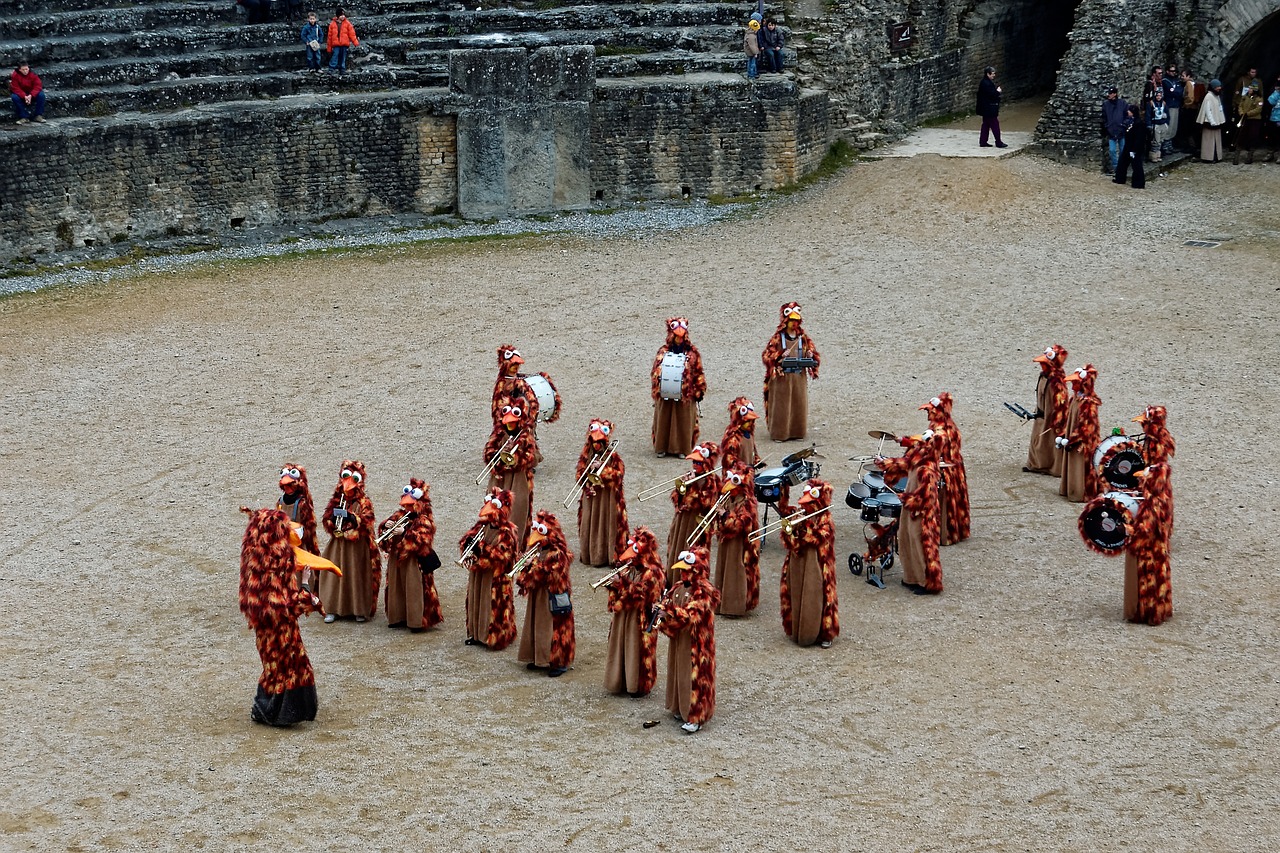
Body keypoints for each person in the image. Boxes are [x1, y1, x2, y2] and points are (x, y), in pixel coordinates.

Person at [239, 508, 330, 727]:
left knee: (274, 669)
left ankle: (270, 710)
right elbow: (285, 607)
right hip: (280, 633)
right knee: (284, 669)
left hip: (268, 632)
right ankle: (276, 713)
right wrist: (307, 591)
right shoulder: (273, 570)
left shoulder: (256, 565)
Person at [656, 546, 720, 733]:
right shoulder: (678, 587)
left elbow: (691, 614)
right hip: (680, 639)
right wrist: (661, 609)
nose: (682, 573)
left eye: (686, 570)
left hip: (696, 643)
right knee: (679, 672)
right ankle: (680, 706)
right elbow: (669, 602)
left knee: (696, 677)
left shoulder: (705, 591)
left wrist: (668, 612)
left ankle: (696, 716)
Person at [602, 526, 666, 698]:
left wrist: (621, 583)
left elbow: (642, 595)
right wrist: (614, 585)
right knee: (621, 645)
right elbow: (623, 591)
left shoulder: (653, 572)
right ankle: (620, 680)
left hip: (640, 618)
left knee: (636, 649)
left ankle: (637, 685)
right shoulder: (631, 568)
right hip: (624, 615)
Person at [877, 432, 944, 595]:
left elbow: (925, 498)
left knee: (920, 544)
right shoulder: (920, 457)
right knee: (906, 539)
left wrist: (904, 498)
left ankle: (927, 583)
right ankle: (912, 578)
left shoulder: (928, 469)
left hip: (922, 514)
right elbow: (904, 463)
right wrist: (884, 463)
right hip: (910, 510)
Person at [316, 460, 381, 623]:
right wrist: (332, 519)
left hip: (357, 546)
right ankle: (333, 608)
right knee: (335, 576)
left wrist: (354, 519)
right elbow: (325, 519)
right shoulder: (337, 500)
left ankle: (358, 609)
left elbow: (368, 522)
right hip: (338, 545)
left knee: (356, 575)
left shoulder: (364, 502)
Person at [778, 479, 839, 646]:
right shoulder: (802, 514)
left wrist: (804, 525)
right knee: (797, 592)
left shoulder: (826, 519)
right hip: (798, 562)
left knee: (816, 597)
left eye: (810, 504)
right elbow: (789, 537)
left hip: (817, 565)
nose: (805, 507)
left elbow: (817, 538)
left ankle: (821, 633)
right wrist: (792, 527)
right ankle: (798, 628)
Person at [376, 478, 442, 632]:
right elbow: (384, 537)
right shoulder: (400, 515)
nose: (406, 508)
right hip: (397, 558)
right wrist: (386, 527)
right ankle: (398, 616)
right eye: (405, 505)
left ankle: (416, 620)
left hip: (413, 561)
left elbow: (422, 541)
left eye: (410, 505)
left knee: (413, 587)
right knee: (396, 586)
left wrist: (405, 533)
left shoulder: (424, 520)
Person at [515, 510, 576, 677]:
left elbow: (550, 574)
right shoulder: (537, 549)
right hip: (538, 595)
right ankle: (538, 657)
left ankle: (558, 661)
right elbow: (528, 576)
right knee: (536, 625)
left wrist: (532, 564)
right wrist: (525, 567)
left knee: (552, 629)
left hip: (552, 597)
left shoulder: (558, 553)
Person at [460, 488, 519, 650]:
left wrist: (482, 550)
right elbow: (467, 538)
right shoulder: (481, 525)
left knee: (491, 605)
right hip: (479, 573)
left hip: (495, 578)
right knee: (476, 600)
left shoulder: (507, 532)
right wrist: (467, 545)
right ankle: (477, 634)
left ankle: (495, 637)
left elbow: (502, 556)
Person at [761, 301, 821, 441]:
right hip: (782, 377)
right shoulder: (777, 338)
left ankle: (797, 432)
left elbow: (813, 354)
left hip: (798, 376)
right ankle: (780, 434)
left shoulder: (803, 338)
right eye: (791, 320)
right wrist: (780, 355)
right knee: (781, 406)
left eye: (796, 320)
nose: (794, 323)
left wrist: (809, 355)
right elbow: (767, 356)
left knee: (798, 404)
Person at [483, 395, 538, 546]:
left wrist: (516, 454)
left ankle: (514, 548)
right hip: (499, 480)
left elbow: (533, 458)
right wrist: (500, 454)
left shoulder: (526, 435)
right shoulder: (498, 434)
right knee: (494, 511)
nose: (510, 425)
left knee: (516, 513)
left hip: (518, 481)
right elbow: (488, 455)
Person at [574, 418, 628, 567]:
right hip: (591, 496)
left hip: (607, 497)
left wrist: (602, 470)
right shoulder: (586, 454)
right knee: (589, 523)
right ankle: (591, 555)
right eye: (594, 442)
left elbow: (619, 474)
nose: (597, 445)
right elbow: (579, 475)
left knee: (607, 523)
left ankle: (607, 556)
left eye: (600, 442)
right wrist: (587, 479)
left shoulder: (613, 456)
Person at [651, 317, 706, 457]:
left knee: (683, 420)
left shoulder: (692, 353)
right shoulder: (663, 352)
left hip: (685, 394)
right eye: (676, 336)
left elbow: (699, 372)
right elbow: (655, 371)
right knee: (664, 419)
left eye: (681, 336)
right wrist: (658, 387)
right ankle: (662, 447)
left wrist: (699, 391)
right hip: (665, 394)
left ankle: (682, 448)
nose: (679, 339)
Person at [920, 393, 970, 546]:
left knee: (944, 503)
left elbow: (933, 449)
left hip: (946, 471)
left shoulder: (941, 430)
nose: (928, 414)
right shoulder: (941, 425)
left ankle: (944, 535)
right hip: (953, 468)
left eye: (930, 411)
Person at [665, 441, 721, 576]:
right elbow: (675, 497)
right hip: (682, 520)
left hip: (697, 523)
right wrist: (683, 487)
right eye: (694, 462)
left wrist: (695, 486)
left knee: (693, 554)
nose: (694, 465)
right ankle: (672, 579)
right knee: (677, 546)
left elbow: (707, 503)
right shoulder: (690, 476)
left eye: (698, 463)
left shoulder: (712, 481)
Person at [712, 463, 760, 617]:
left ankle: (734, 606)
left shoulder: (747, 502)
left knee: (735, 571)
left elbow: (741, 525)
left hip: (739, 544)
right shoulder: (729, 497)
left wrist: (725, 515)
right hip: (726, 540)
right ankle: (721, 603)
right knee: (723, 569)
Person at [491, 343, 561, 442]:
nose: (516, 367)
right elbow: (498, 407)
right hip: (511, 424)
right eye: (513, 364)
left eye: (517, 364)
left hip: (525, 423)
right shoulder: (503, 383)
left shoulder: (520, 378)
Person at [1057, 365, 1102, 503]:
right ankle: (1069, 489)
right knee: (1072, 463)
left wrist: (1072, 440)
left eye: (1075, 383)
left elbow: (1086, 428)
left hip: (1084, 444)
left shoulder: (1088, 404)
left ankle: (1080, 492)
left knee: (1080, 467)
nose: (1072, 387)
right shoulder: (1075, 399)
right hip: (1073, 439)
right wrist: (1064, 435)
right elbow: (1070, 421)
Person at [1024, 344, 1070, 476]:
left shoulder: (1057, 382)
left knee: (1049, 441)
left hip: (1051, 417)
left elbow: (1061, 404)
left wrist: (1058, 421)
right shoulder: (1043, 376)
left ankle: (1051, 466)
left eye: (1044, 364)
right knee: (1038, 439)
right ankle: (1037, 464)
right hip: (1041, 413)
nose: (1041, 366)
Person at [276, 462, 319, 590]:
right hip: (284, 544)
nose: (287, 487)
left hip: (300, 544)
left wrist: (301, 533)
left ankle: (305, 594)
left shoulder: (302, 503)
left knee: (301, 572)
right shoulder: (280, 501)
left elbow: (310, 525)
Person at [721, 396, 762, 472]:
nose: (750, 423)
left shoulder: (749, 433)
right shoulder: (733, 438)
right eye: (747, 421)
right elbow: (730, 461)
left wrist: (756, 460)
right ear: (739, 421)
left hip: (749, 473)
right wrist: (743, 469)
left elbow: (753, 449)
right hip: (738, 477)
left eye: (751, 421)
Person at [1112, 105, 1147, 189]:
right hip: (1128, 146)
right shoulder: (1131, 121)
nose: (1128, 112)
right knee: (1122, 163)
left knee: (1137, 165)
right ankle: (1120, 178)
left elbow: (1139, 138)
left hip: (1135, 148)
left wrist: (1134, 150)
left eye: (1130, 111)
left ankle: (1139, 183)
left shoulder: (1139, 123)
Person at [1234, 82, 1265, 164]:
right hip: (1245, 119)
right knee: (1240, 136)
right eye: (1249, 88)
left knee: (1252, 137)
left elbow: (1258, 109)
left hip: (1254, 120)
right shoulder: (1245, 97)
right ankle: (1236, 157)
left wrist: (1248, 113)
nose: (1249, 90)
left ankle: (1249, 157)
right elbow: (1240, 105)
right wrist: (1241, 112)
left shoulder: (1259, 99)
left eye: (1251, 88)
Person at [976, 66, 1007, 148]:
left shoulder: (984, 82)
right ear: (988, 74)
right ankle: (998, 142)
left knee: (985, 125)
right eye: (993, 74)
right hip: (989, 108)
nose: (994, 75)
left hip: (985, 108)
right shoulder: (987, 84)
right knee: (995, 125)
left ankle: (983, 141)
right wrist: (998, 92)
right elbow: (992, 95)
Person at [1197, 79, 1226, 162]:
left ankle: (1216, 156)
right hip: (1210, 122)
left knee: (1216, 140)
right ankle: (1208, 157)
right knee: (1209, 141)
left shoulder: (1217, 96)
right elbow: (1207, 110)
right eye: (1217, 87)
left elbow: (1219, 108)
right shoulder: (1208, 97)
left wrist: (1221, 119)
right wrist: (1212, 121)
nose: (1219, 88)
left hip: (1216, 121)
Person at [1101, 87, 1128, 174]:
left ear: (1115, 94)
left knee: (1122, 149)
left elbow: (1126, 115)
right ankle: (1116, 167)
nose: (1109, 95)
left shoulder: (1122, 103)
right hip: (1111, 130)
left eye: (1111, 93)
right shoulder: (1106, 104)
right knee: (1112, 150)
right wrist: (1107, 126)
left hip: (1121, 130)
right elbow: (1104, 117)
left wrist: (1123, 125)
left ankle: (1121, 166)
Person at [326, 8, 359, 76]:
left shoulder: (347, 23)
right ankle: (331, 68)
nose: (343, 16)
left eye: (343, 15)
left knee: (342, 57)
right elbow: (329, 37)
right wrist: (329, 48)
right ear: (338, 16)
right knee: (335, 56)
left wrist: (355, 42)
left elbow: (352, 34)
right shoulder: (332, 24)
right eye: (341, 15)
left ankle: (342, 69)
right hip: (336, 44)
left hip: (344, 44)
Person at [1162, 63, 1184, 152]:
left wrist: (1176, 92)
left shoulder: (1177, 81)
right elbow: (1171, 92)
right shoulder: (1166, 81)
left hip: (1176, 105)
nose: (1173, 73)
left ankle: (1170, 143)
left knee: (1174, 126)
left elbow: (1180, 91)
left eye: (1175, 71)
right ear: (1167, 71)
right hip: (1170, 105)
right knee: (1169, 125)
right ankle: (1165, 145)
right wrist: (1175, 92)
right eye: (1171, 71)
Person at [1146, 87, 1171, 163]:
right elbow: (1148, 115)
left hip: (1163, 123)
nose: (1158, 97)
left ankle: (1158, 155)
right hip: (1155, 124)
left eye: (1160, 96)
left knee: (1160, 140)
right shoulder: (1151, 103)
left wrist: (1167, 123)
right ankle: (1153, 155)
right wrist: (1149, 125)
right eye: (1157, 96)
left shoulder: (1163, 103)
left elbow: (1167, 113)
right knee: (1155, 141)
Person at [1268, 79, 1280, 161]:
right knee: (1272, 137)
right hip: (1274, 118)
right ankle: (1271, 153)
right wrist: (1276, 93)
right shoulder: (1275, 94)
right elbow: (1271, 101)